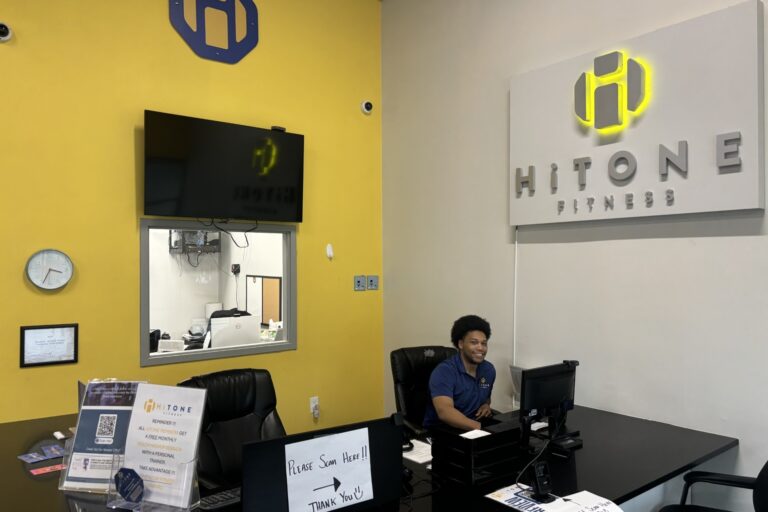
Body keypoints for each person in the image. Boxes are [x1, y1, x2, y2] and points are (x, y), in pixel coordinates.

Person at [423, 314, 495, 430]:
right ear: (461, 344)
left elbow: (486, 395)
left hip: (471, 429)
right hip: (441, 432)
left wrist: (486, 404)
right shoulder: (444, 372)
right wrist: (482, 429)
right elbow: (445, 412)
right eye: (474, 342)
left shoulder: (488, 370)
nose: (480, 348)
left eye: (484, 343)